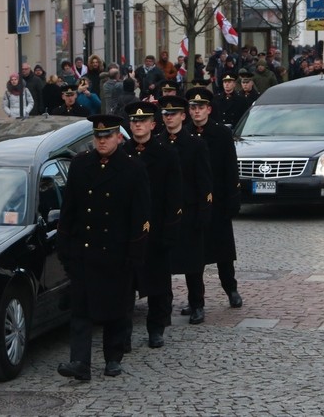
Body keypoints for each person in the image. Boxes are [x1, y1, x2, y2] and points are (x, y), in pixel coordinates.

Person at [56, 114, 150, 381]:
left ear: (119, 138)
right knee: (80, 312)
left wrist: (135, 253)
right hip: (84, 251)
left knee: (116, 310)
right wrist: (65, 246)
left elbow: (141, 216)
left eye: (107, 136)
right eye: (98, 136)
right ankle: (80, 363)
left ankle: (113, 357)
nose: (102, 141)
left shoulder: (133, 168)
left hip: (117, 253)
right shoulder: (80, 164)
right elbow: (69, 210)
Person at [122, 101, 182, 349]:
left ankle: (156, 327)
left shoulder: (166, 153)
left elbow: (174, 196)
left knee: (158, 283)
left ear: (152, 125)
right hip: (128, 231)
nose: (138, 125)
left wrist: (171, 228)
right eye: (134, 121)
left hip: (157, 229)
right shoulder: (123, 152)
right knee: (125, 286)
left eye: (143, 121)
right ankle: (122, 333)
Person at [185, 87, 243, 311]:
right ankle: (195, 300)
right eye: (193, 108)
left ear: (209, 109)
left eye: (200, 107)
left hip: (218, 202)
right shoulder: (186, 133)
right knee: (194, 255)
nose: (197, 112)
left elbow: (231, 168)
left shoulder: (221, 134)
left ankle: (231, 289)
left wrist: (233, 198)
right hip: (195, 203)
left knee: (223, 252)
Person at [158, 94, 213, 324]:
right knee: (163, 263)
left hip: (189, 211)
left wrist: (203, 213)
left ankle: (197, 303)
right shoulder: (158, 142)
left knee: (193, 263)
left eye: (173, 114)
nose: (169, 118)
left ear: (183, 116)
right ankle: (164, 304)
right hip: (164, 213)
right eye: (165, 115)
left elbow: (204, 182)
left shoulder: (195, 144)